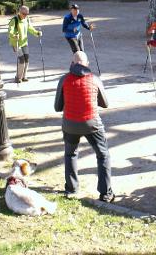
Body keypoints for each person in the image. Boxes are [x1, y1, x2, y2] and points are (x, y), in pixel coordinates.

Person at [54, 51, 114, 203]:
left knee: (71, 154)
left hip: (70, 123)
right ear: (87, 64)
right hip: (92, 123)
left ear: (72, 64)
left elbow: (57, 107)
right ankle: (105, 193)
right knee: (103, 155)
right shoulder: (95, 79)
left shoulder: (64, 79)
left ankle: (72, 189)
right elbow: (105, 103)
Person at [8, 6, 42, 83]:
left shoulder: (27, 19)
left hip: (24, 42)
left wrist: (37, 33)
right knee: (21, 59)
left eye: (27, 13)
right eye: (24, 13)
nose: (25, 15)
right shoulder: (15, 20)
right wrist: (14, 35)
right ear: (19, 12)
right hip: (16, 43)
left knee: (27, 59)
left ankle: (24, 76)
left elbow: (30, 28)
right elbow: (10, 30)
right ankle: (18, 77)